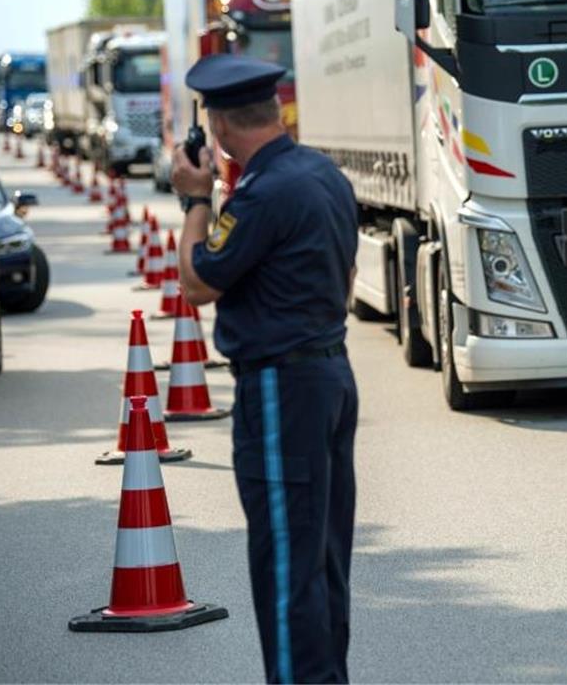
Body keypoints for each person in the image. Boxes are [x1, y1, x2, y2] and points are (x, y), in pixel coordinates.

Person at [170, 53, 359, 683]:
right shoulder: (321, 173)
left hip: (283, 387)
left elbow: (197, 283)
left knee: (284, 565)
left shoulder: (263, 192)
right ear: (274, 108)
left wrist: (196, 200)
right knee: (323, 559)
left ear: (219, 126)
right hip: (328, 372)